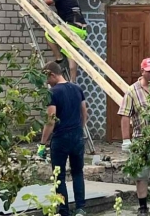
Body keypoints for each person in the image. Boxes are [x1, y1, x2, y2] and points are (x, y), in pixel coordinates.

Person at [38, 61, 88, 216]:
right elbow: (84, 113)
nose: (47, 82)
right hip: (77, 137)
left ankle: (64, 211)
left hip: (60, 138)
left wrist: (42, 143)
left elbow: (50, 120)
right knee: (78, 172)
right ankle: (80, 208)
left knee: (58, 176)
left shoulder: (53, 93)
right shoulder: (77, 88)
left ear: (52, 74)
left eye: (47, 78)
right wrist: (79, 129)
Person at [118, 58, 150, 216]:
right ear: (143, 71)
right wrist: (126, 140)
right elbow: (125, 115)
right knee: (141, 175)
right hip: (141, 140)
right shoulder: (132, 91)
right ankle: (143, 207)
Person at [30, 0, 87, 82]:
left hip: (70, 27)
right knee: (72, 55)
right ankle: (73, 82)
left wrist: (29, 6)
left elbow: (46, 2)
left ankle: (59, 58)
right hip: (82, 30)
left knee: (49, 34)